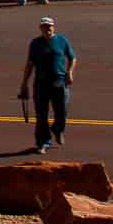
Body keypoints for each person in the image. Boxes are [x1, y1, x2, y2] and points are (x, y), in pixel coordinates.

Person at [18, 15, 76, 153]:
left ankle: (57, 129)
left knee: (62, 112)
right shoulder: (35, 43)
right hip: (41, 84)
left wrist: (70, 72)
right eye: (44, 26)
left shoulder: (62, 40)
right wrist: (24, 83)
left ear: (53, 27)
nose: (47, 29)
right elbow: (29, 64)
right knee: (41, 115)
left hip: (60, 82)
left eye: (49, 26)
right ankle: (43, 143)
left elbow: (72, 58)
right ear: (40, 28)